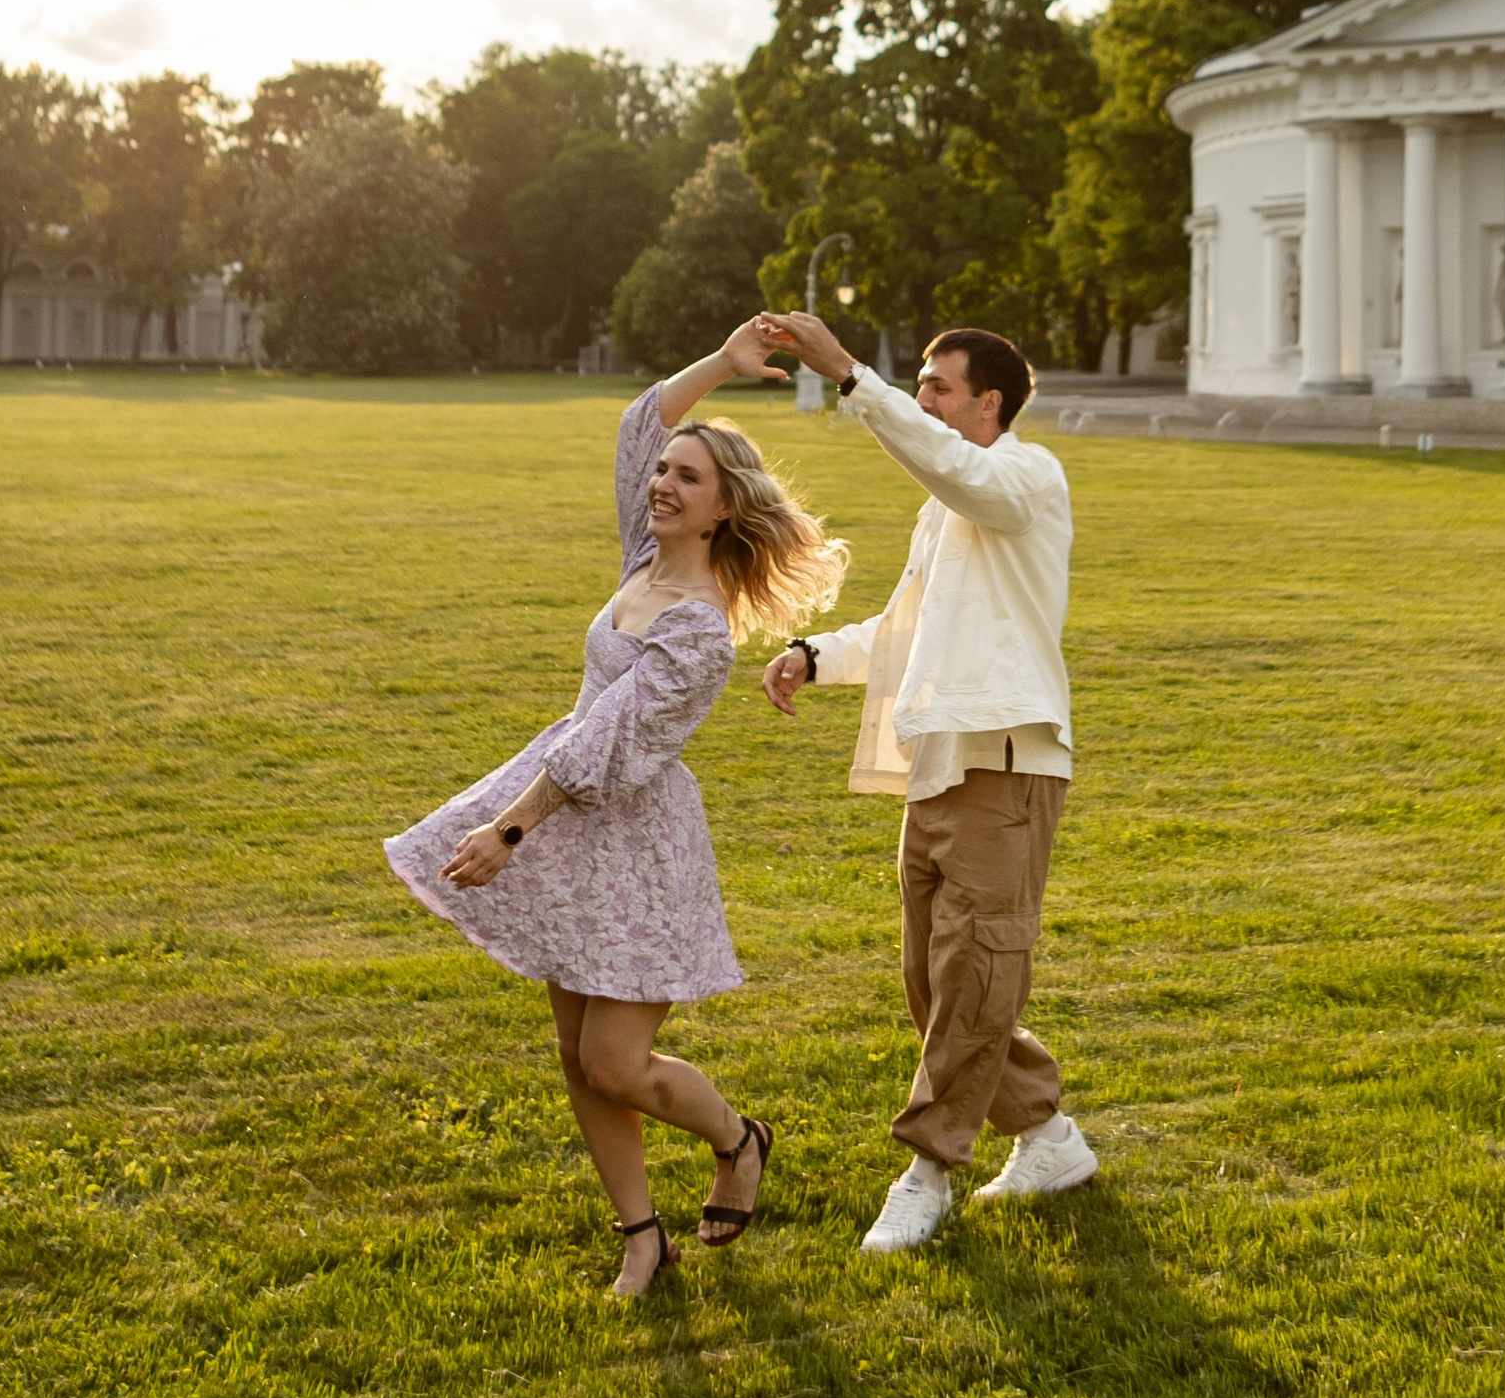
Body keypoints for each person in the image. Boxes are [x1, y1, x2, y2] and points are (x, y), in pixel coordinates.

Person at [383, 320, 847, 1298]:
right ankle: (642, 1235)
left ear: (722, 513)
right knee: (573, 1049)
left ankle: (738, 1137)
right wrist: (723, 365)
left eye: (687, 480)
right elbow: (640, 420)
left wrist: (508, 829)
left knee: (616, 1061)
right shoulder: (644, 556)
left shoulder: (698, 631)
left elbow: (602, 748)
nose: (661, 485)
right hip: (570, 824)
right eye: (663, 474)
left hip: (631, 842)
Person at [761, 315, 1095, 1254]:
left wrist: (848, 375)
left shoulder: (1023, 478)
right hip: (937, 766)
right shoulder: (944, 507)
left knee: (975, 971)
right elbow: (904, 632)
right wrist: (811, 656)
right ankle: (1048, 1137)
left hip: (1006, 760)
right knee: (937, 980)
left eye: (938, 386)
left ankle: (929, 1170)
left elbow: (960, 471)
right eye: (919, 384)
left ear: (989, 402)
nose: (925, 398)